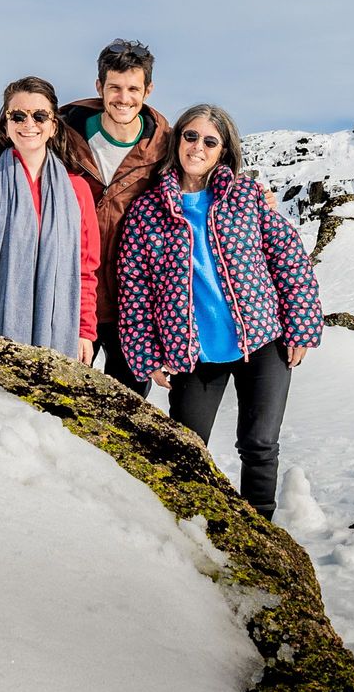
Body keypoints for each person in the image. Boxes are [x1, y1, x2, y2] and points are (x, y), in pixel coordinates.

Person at [114, 104, 324, 521]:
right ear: (177, 141)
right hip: (192, 354)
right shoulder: (147, 212)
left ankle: (260, 531)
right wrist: (148, 356)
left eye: (210, 141)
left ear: (223, 151)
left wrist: (300, 328)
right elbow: (133, 291)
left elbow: (289, 260)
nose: (198, 147)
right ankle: (190, 531)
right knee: (188, 446)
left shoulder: (246, 198)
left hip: (262, 343)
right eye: (191, 136)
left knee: (259, 443)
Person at [0, 40, 170, 393]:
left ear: (148, 90)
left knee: (111, 410)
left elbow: (198, 182)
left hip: (121, 302)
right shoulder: (63, 136)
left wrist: (250, 194)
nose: (123, 98)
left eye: (132, 89)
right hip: (14, 302)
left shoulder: (166, 148)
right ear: (100, 87)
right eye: (114, 87)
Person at [0, 77, 101, 363]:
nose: (28, 124)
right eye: (18, 116)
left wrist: (85, 329)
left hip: (53, 317)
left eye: (39, 116)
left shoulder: (77, 190)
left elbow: (85, 268)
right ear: (6, 124)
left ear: (53, 126)